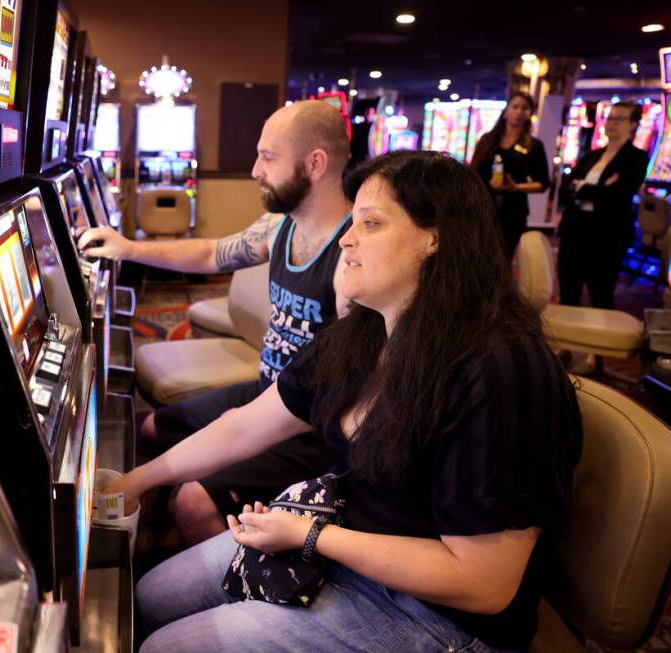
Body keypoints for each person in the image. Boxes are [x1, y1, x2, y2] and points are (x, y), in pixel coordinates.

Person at [107, 150, 583, 652]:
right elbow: (244, 426)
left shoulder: (501, 370)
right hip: (346, 546)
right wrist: (137, 480)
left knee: (167, 648)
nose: (347, 240)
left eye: (371, 223)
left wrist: (309, 535)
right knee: (147, 596)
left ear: (436, 239)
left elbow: (484, 585)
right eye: (351, 222)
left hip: (438, 618)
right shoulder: (365, 333)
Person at [77, 100, 353, 545]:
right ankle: (150, 535)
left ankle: (233, 586)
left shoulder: (351, 259)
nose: (254, 170)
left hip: (312, 427)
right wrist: (126, 248)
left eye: (268, 157)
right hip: (267, 389)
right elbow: (211, 253)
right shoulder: (281, 224)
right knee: (150, 429)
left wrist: (248, 428)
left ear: (315, 164)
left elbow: (352, 399)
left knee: (194, 501)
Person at [557, 100, 649, 310]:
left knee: (601, 296)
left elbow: (619, 196)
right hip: (574, 230)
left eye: (619, 119)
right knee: (568, 296)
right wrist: (591, 190)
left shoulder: (636, 158)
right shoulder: (592, 155)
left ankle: (599, 341)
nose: (611, 123)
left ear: (633, 125)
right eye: (609, 117)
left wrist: (582, 188)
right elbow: (564, 190)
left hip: (606, 236)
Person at [470, 92, 550, 260]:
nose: (519, 112)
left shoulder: (534, 145)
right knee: (477, 257)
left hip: (513, 211)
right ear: (506, 111)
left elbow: (543, 183)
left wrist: (516, 187)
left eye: (525, 108)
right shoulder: (487, 139)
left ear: (530, 114)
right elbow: (472, 173)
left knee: (502, 259)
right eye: (515, 106)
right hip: (484, 208)